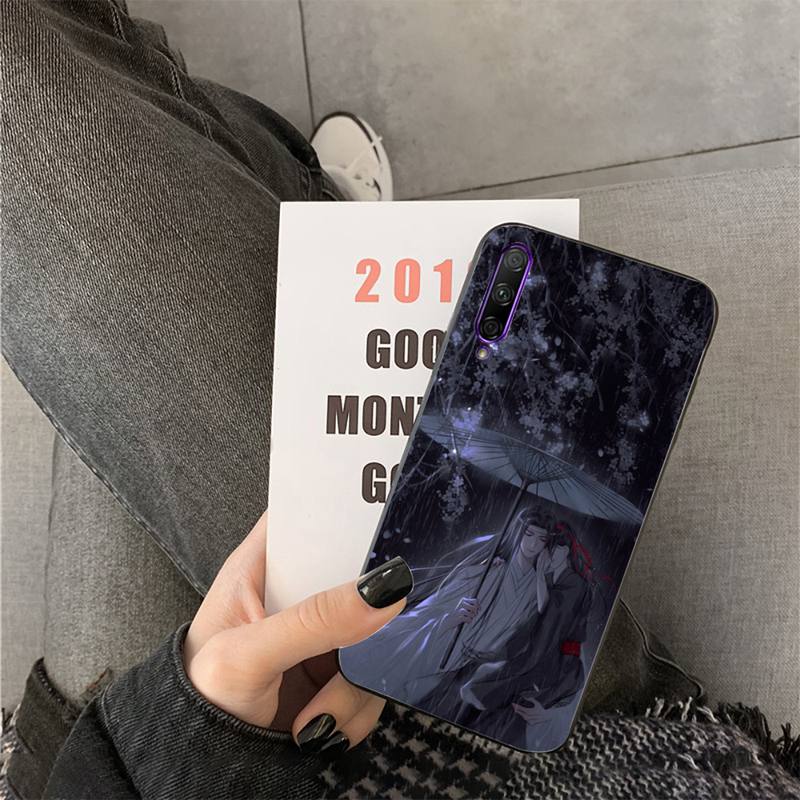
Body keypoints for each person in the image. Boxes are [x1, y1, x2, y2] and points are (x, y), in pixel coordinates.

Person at [6, 2, 792, 799]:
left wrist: (189, 751)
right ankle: (317, 201)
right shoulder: (534, 557)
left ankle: (319, 205)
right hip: (576, 751)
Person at [342, 508, 592, 749]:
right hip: (445, 637)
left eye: (541, 539)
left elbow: (530, 626)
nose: (533, 544)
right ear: (519, 532)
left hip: (469, 657)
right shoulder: (490, 568)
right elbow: (441, 602)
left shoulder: (536, 588)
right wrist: (452, 616)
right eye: (529, 534)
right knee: (394, 670)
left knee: (409, 697)